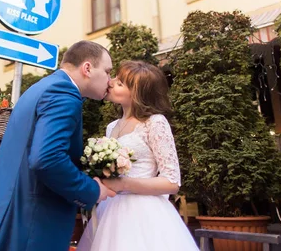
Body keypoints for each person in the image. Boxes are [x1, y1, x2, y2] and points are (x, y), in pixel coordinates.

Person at [0, 40, 116, 251]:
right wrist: (92, 190)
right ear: (87, 68)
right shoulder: (64, 95)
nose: (110, 80)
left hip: (6, 215)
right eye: (108, 71)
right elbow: (47, 159)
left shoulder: (43, 87)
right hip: (30, 225)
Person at [77, 60, 199, 251]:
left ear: (136, 93)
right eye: (115, 77)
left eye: (119, 83)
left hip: (145, 213)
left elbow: (172, 182)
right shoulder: (112, 127)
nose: (110, 82)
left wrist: (124, 184)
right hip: (110, 210)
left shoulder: (154, 123)